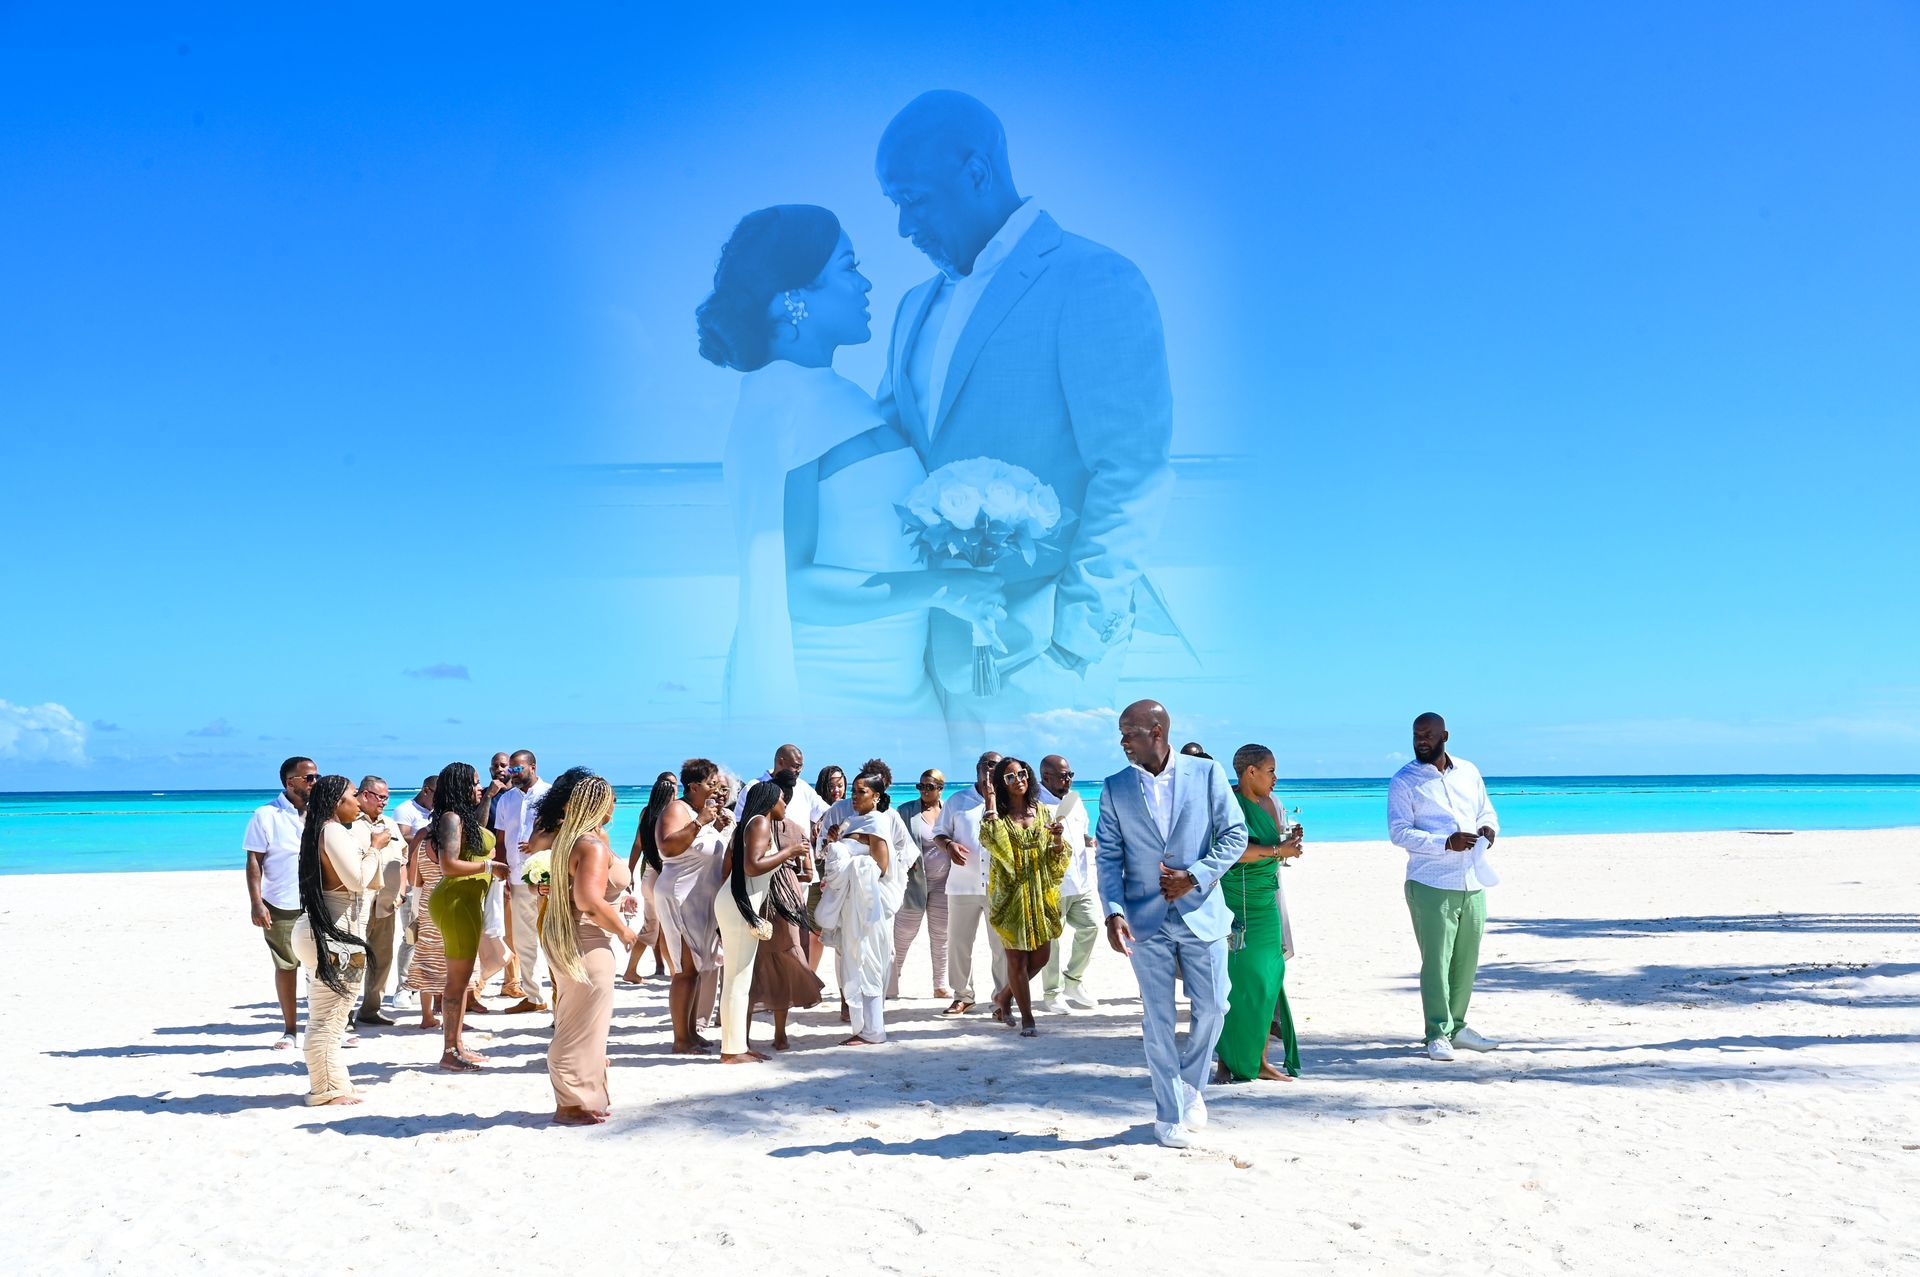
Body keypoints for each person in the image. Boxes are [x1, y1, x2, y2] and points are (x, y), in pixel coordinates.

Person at [874, 92, 1180, 740]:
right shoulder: (910, 307)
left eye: (914, 199)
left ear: (978, 173)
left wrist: (1074, 642)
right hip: (930, 657)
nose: (903, 226)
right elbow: (888, 453)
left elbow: (1131, 470)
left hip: (1047, 656)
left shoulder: (1095, 280)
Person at [702, 203, 1004, 757]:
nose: (866, 283)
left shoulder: (839, 395)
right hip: (835, 705)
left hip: (904, 693)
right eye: (848, 268)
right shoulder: (779, 403)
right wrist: (946, 589)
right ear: (791, 296)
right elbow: (792, 585)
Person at [1096, 700, 1247, 1148]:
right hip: (1144, 920)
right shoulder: (1115, 787)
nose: (1123, 741)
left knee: (1216, 1005)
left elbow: (1235, 835)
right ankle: (1169, 1114)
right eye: (1122, 733)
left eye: (1130, 733)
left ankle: (1189, 1084)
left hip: (1203, 912)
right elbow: (1108, 855)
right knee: (1157, 1018)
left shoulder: (1206, 773)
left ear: (1157, 731)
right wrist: (1113, 911)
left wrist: (1195, 875)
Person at [1389, 713, 1502, 1062]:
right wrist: (1444, 842)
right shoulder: (1404, 780)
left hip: (1473, 880)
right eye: (1416, 735)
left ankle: (1459, 1027)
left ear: (1445, 736)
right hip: (1430, 883)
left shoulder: (1469, 771)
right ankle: (1437, 1032)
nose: (1421, 740)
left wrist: (1488, 830)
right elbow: (1399, 832)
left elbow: (1487, 811)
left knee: (1467, 960)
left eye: (1428, 734)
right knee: (1436, 962)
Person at [534, 771, 641, 1125]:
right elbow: (588, 899)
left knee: (583, 1021)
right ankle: (570, 1103)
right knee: (580, 1023)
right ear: (597, 803)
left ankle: (585, 1094)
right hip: (586, 940)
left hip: (572, 936)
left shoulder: (575, 838)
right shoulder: (590, 845)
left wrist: (617, 901)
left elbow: (576, 890)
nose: (616, 803)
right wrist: (624, 931)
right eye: (611, 798)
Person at [289, 775, 376, 1105]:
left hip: (325, 931)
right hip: (334, 935)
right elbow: (357, 881)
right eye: (354, 796)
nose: (358, 803)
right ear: (338, 802)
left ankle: (336, 1082)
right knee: (330, 1017)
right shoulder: (332, 831)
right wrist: (374, 850)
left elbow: (370, 884)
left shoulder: (320, 831)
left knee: (334, 1015)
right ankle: (325, 1090)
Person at [1219, 744, 1303, 1082]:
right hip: (1238, 902)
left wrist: (1288, 841)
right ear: (1249, 772)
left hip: (1267, 900)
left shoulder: (1270, 802)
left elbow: (1271, 848)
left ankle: (1260, 1060)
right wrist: (1276, 849)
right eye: (1270, 770)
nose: (1275, 777)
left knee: (1270, 979)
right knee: (1240, 983)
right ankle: (1232, 1061)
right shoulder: (1228, 804)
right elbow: (1229, 852)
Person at [816, 768, 918, 1045]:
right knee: (853, 961)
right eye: (854, 791)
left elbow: (882, 869)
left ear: (876, 796)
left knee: (869, 962)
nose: (854, 796)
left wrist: (848, 858)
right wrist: (834, 844)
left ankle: (874, 1029)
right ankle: (864, 1026)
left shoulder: (876, 822)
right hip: (854, 905)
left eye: (861, 792)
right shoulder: (852, 821)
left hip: (869, 906)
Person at [716, 779, 813, 1063]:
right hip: (739, 905)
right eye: (782, 800)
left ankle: (736, 1047)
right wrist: (789, 853)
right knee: (737, 978)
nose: (785, 805)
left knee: (739, 978)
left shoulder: (752, 824)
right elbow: (752, 865)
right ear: (771, 801)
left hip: (738, 902)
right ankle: (732, 1051)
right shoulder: (758, 823)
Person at [980, 757, 1070, 1037]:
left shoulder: (1043, 812)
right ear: (1001, 784)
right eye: (1009, 777)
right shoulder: (999, 818)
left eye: (1021, 774)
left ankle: (1004, 997)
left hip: (1041, 893)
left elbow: (1057, 856)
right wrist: (991, 803)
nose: (1018, 779)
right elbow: (998, 848)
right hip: (1010, 896)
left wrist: (1056, 839)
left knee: (1041, 957)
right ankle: (1027, 1018)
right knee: (1017, 961)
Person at [423, 761, 504, 1071]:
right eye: (474, 783)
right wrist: (489, 867)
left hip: (468, 901)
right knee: (457, 982)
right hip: (456, 901)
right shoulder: (451, 819)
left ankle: (456, 1044)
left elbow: (477, 837)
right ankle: (449, 1052)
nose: (479, 787)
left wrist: (487, 799)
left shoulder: (463, 818)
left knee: (463, 978)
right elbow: (449, 865)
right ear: (459, 787)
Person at [654, 758, 732, 1054]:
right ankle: (680, 1038)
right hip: (680, 896)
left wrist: (716, 827)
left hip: (701, 898)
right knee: (685, 969)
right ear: (693, 786)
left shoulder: (704, 812)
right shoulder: (678, 809)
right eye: (711, 784)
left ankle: (690, 1031)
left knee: (698, 967)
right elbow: (668, 846)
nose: (715, 790)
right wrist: (700, 823)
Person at [243, 756, 319, 1049]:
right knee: (287, 965)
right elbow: (254, 861)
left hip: (318, 901)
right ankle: (290, 1030)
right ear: (291, 782)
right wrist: (256, 903)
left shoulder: (320, 812)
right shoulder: (266, 815)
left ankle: (325, 1027)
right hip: (281, 902)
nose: (315, 782)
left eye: (316, 776)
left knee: (322, 967)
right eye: (309, 778)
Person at [751, 768, 825, 1050]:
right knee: (784, 964)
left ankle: (758, 1033)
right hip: (787, 900)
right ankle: (779, 1035)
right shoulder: (790, 830)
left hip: (775, 902)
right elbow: (807, 874)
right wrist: (789, 865)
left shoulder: (754, 827)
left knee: (759, 966)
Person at [931, 750, 1007, 1015]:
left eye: (997, 766)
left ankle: (1002, 998)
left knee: (1001, 947)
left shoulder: (1008, 801)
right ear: (977, 767)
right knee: (959, 943)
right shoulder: (957, 800)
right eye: (987, 765)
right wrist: (949, 845)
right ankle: (963, 995)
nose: (991, 770)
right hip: (962, 885)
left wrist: (992, 800)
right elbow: (938, 833)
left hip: (1000, 888)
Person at [1038, 754, 1101, 1012]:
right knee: (1052, 940)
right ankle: (1051, 992)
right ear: (1046, 777)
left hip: (1081, 880)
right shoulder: (1036, 804)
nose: (1068, 779)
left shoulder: (1075, 800)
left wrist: (1089, 840)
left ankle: (1073, 980)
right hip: (1053, 885)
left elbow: (1081, 831)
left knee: (1092, 927)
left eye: (1070, 774)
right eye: (1063, 775)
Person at [493, 749, 553, 1014]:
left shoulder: (550, 794)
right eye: (511, 770)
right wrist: (503, 871)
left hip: (547, 877)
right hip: (517, 878)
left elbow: (560, 831)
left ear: (533, 767)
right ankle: (534, 996)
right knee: (523, 939)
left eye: (518, 769)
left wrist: (539, 843)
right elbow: (501, 837)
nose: (512, 774)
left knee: (551, 938)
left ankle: (561, 994)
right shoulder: (506, 799)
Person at [888, 767, 952, 1000]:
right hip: (913, 883)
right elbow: (893, 841)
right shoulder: (906, 811)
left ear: (940, 789)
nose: (924, 791)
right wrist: (905, 860)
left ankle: (940, 985)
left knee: (941, 935)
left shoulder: (949, 811)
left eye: (930, 787)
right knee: (903, 933)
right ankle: (892, 982)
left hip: (944, 883)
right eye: (921, 786)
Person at [353, 775, 406, 1026]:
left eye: (387, 797)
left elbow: (403, 858)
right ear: (365, 795)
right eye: (381, 797)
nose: (385, 802)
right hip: (359, 903)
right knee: (354, 958)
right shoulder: (350, 824)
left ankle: (370, 1009)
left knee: (382, 958)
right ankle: (343, 1015)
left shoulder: (390, 824)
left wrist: (402, 892)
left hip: (387, 903)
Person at [621, 771, 678, 984]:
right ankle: (675, 974)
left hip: (649, 875)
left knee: (651, 927)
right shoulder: (671, 813)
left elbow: (638, 844)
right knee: (666, 928)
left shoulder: (647, 812)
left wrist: (630, 872)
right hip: (661, 876)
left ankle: (631, 970)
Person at [388, 774, 435, 1004]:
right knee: (410, 934)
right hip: (410, 880)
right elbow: (401, 838)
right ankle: (403, 986)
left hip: (431, 881)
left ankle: (424, 985)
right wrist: (428, 833)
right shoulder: (405, 809)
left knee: (430, 936)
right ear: (427, 790)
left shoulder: (436, 812)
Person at [735, 743, 829, 831]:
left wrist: (820, 823)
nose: (799, 771)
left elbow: (827, 812)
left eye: (801, 767)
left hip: (801, 847)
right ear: (780, 762)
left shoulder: (803, 787)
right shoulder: (753, 787)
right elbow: (739, 823)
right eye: (796, 766)